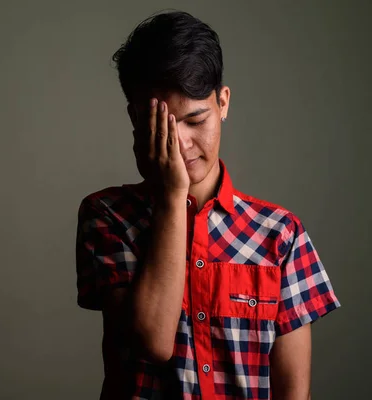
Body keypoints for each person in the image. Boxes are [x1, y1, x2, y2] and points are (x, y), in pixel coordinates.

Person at [74, 10, 341, 400]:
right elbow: (153, 341)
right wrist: (171, 197)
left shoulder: (281, 235)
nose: (181, 143)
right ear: (135, 118)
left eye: (195, 120)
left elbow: (294, 393)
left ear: (223, 103)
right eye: (162, 124)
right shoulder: (107, 216)